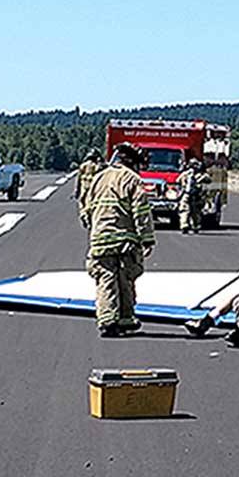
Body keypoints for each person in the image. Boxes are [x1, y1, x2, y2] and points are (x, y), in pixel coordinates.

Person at [85, 143, 155, 337]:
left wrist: (93, 227)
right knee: (125, 279)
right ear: (132, 162)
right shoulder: (132, 179)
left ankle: (110, 319)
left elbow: (87, 207)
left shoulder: (98, 178)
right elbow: (141, 211)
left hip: (99, 239)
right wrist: (147, 239)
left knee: (105, 278)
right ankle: (123, 318)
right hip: (125, 241)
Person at [178, 158, 210, 234]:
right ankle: (188, 225)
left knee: (191, 211)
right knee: (188, 210)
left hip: (193, 195)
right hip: (190, 195)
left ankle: (190, 225)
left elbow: (178, 180)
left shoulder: (197, 175)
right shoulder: (188, 174)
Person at [74, 150, 104, 227]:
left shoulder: (83, 166)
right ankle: (88, 218)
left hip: (84, 189)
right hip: (93, 189)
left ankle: (84, 216)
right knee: (91, 204)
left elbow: (78, 179)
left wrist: (76, 191)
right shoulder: (96, 166)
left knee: (82, 204)